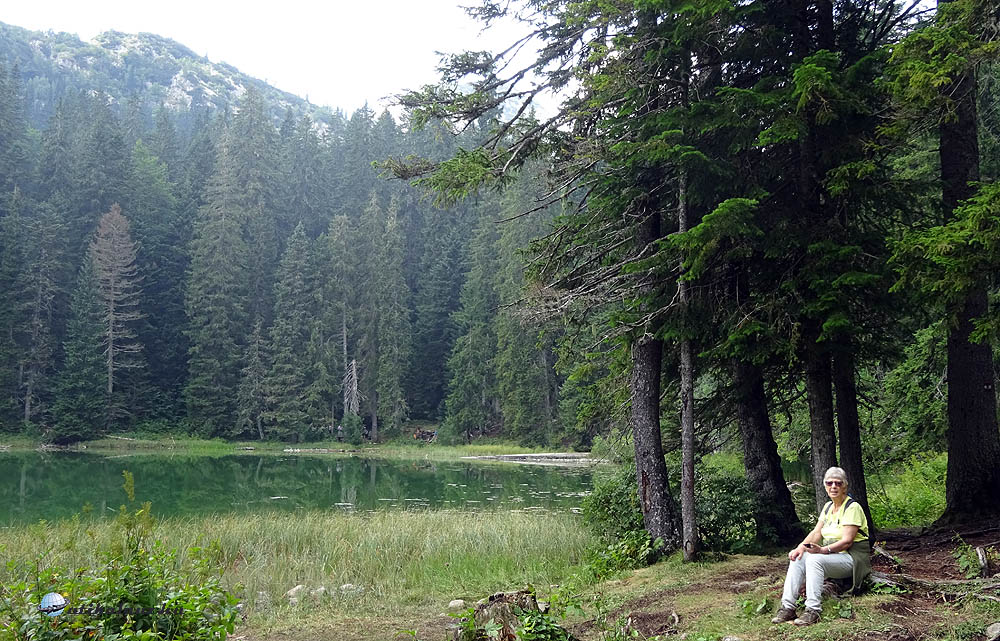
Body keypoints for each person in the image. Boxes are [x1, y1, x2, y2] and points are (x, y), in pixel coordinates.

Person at [772, 466, 871, 626]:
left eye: (838, 483)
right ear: (825, 485)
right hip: (834, 557)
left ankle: (813, 610)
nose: (834, 486)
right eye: (830, 483)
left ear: (844, 485)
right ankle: (787, 608)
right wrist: (800, 548)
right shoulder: (827, 507)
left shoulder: (852, 507)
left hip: (852, 560)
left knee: (814, 560)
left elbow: (847, 541)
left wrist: (823, 550)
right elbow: (817, 533)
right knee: (798, 558)